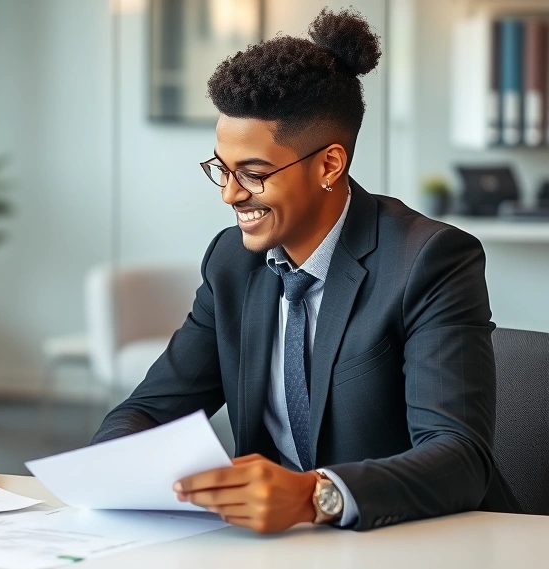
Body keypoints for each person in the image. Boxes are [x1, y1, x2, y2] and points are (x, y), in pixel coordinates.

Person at [92, 9, 516, 532]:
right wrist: (121, 469)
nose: (230, 194)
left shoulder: (429, 260)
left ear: (329, 166)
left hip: (419, 540)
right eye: (222, 170)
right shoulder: (232, 262)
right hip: (281, 548)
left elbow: (459, 459)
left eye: (253, 173)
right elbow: (147, 411)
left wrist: (316, 496)